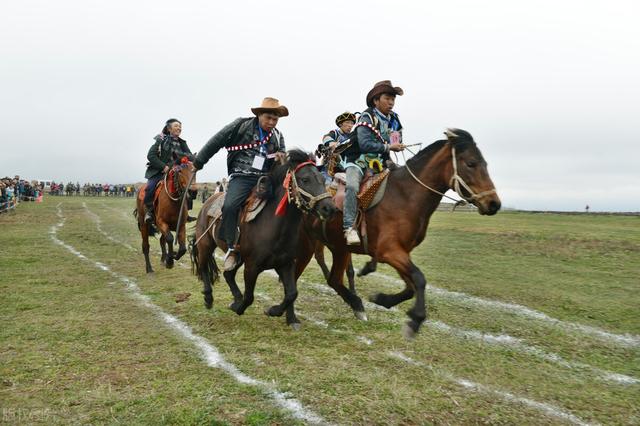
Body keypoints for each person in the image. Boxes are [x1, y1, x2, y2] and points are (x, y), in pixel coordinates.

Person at [193, 97, 288, 271]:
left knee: (286, 202)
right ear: (259, 114)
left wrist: (282, 158)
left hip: (266, 178)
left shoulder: (278, 136)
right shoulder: (240, 126)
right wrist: (198, 162)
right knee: (230, 206)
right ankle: (232, 248)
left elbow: (281, 156)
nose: (272, 122)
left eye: (275, 119)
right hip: (242, 176)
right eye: (269, 118)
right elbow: (216, 141)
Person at [342, 80, 406, 245]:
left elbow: (395, 139)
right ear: (376, 100)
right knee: (351, 187)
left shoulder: (394, 119)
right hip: (358, 161)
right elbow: (364, 144)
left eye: (393, 99)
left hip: (382, 162)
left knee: (402, 181)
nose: (391, 102)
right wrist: (389, 146)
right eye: (387, 98)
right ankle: (349, 227)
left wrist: (397, 144)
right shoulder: (367, 116)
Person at [144, 118, 194, 227]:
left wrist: (191, 158)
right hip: (161, 171)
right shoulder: (160, 139)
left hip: (178, 171)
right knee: (150, 187)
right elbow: (151, 155)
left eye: (180, 126)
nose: (179, 128)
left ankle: (187, 213)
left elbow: (189, 155)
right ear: (169, 128)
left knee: (189, 187)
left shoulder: (182, 142)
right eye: (176, 126)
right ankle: (150, 211)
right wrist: (164, 167)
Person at [319, 112, 356, 181]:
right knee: (326, 181)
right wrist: (331, 143)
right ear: (340, 124)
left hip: (346, 164)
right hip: (332, 165)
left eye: (352, 123)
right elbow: (326, 137)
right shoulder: (335, 133)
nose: (350, 125)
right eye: (347, 122)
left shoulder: (352, 136)